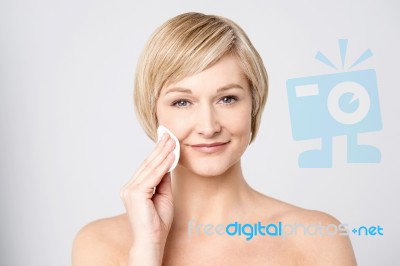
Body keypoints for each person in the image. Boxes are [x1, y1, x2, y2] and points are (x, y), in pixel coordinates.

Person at [72, 12, 357, 265]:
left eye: (227, 98)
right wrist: (147, 249)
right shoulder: (100, 244)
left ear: (254, 105)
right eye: (182, 102)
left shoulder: (317, 239)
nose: (208, 127)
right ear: (153, 112)